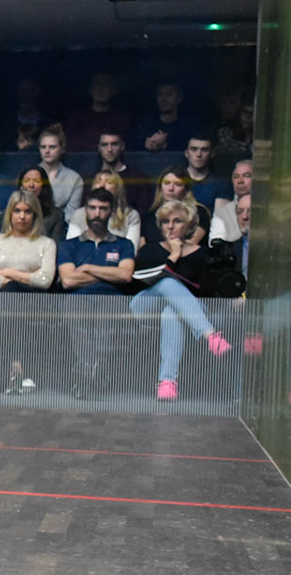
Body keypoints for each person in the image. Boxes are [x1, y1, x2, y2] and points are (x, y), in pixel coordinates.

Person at [131, 198, 230, 402]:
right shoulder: (150, 250)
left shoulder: (202, 254)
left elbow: (205, 292)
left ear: (189, 226)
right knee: (167, 283)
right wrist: (174, 255)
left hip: (187, 310)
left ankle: (167, 383)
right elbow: (139, 283)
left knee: (172, 313)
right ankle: (210, 336)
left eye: (177, 221)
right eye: (165, 222)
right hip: (146, 305)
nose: (170, 226)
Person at [55, 186, 134, 395]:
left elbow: (126, 275)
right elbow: (68, 281)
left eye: (103, 208)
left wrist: (88, 268)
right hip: (78, 298)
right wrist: (110, 273)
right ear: (85, 211)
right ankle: (90, 373)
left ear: (111, 212)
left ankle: (89, 376)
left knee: (106, 320)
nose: (97, 213)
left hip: (112, 299)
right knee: (76, 308)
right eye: (92, 208)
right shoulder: (68, 246)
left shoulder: (124, 245)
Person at [0, 188, 56, 391]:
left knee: (13, 289)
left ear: (35, 215)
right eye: (17, 211)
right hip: (1, 303)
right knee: (13, 292)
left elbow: (45, 280)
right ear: (9, 213)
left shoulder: (46, 244)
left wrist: (7, 272)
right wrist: (29, 275)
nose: (22, 216)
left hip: (34, 302)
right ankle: (18, 368)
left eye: (28, 211)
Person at [67, 167, 143, 248]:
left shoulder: (130, 215)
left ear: (118, 188)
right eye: (98, 181)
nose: (102, 185)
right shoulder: (79, 214)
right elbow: (71, 247)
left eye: (108, 182)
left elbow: (131, 249)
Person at [63, 71, 131, 153]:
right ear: (90, 90)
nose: (100, 89)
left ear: (113, 89)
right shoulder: (77, 119)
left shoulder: (120, 119)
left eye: (105, 84)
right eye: (97, 84)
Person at [32, 124, 83, 217]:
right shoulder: (28, 175)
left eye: (52, 147)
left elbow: (71, 216)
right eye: (43, 147)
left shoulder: (74, 179)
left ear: (62, 149)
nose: (47, 151)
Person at [209, 158, 254, 241]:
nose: (240, 181)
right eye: (236, 177)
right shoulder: (222, 213)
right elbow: (216, 244)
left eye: (247, 175)